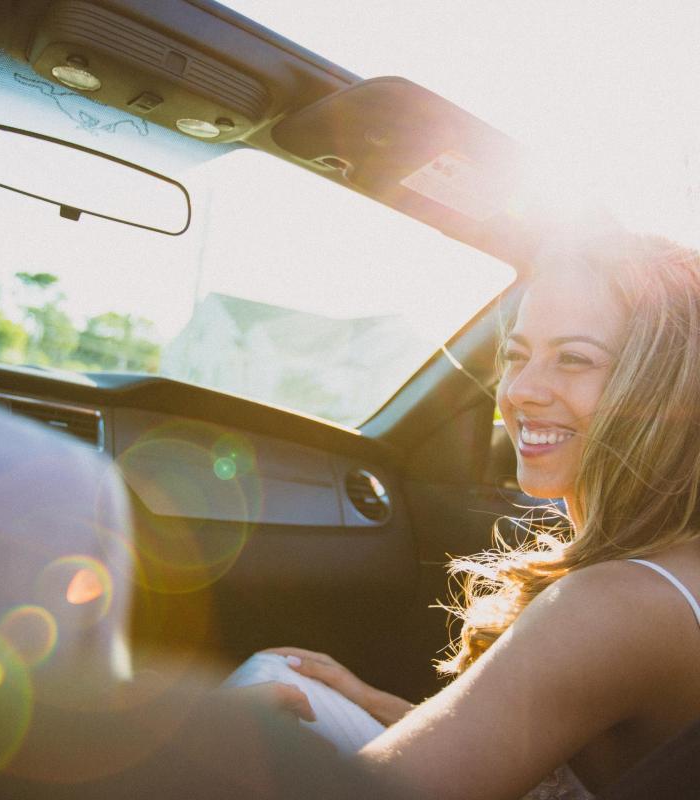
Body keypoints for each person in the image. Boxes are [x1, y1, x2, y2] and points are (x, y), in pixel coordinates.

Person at [253, 230, 700, 799]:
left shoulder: (615, 604)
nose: (520, 390)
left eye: (574, 359)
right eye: (517, 355)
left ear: (667, 391)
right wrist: (376, 705)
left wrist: (206, 740)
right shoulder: (668, 569)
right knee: (287, 674)